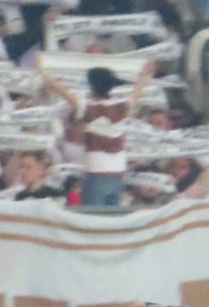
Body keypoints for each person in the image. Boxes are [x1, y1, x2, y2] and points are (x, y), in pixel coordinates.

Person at [41, 61, 155, 207]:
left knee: (92, 220)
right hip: (117, 177)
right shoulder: (121, 107)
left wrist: (46, 75)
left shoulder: (91, 109)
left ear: (92, 87)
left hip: (97, 176)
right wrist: (144, 76)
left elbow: (66, 94)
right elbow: (136, 93)